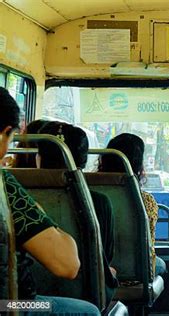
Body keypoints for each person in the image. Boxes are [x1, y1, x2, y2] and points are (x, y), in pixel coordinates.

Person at [0, 87, 100, 315]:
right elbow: (67, 265)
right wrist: (41, 214)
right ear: (4, 132)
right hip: (9, 305)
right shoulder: (4, 187)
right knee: (89, 312)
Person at [36, 121, 119, 305]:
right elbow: (104, 257)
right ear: (82, 161)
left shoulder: (17, 197)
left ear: (39, 158)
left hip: (16, 300)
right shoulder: (97, 202)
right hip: (81, 299)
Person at [98, 133, 167, 277]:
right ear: (138, 165)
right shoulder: (144, 201)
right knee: (160, 264)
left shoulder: (87, 194)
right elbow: (148, 247)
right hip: (134, 273)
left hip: (96, 267)